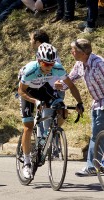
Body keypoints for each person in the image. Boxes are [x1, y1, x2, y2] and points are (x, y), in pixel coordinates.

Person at [18, 43, 84, 179]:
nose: (49, 67)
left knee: (62, 109)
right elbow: (21, 91)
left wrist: (79, 103)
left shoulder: (57, 68)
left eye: (52, 64)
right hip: (28, 91)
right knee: (28, 126)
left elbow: (71, 86)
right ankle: (27, 162)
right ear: (38, 60)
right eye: (46, 64)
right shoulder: (30, 70)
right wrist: (35, 102)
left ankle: (51, 135)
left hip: (43, 88)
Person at [58, 39, 104, 176]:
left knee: (96, 135)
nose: (71, 52)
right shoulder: (80, 64)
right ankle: (98, 165)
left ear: (83, 53)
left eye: (74, 50)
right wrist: (61, 85)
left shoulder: (99, 64)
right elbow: (71, 79)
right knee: (97, 135)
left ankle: (92, 167)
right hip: (97, 103)